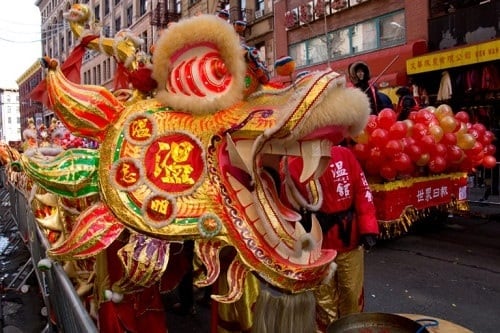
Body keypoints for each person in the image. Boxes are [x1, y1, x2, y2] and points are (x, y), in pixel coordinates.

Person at [281, 145, 380, 332]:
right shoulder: (291, 164)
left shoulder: (344, 155)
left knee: (351, 292)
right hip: (318, 244)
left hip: (349, 239)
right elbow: (287, 209)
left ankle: (352, 329)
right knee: (323, 297)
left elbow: (361, 190)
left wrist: (368, 228)